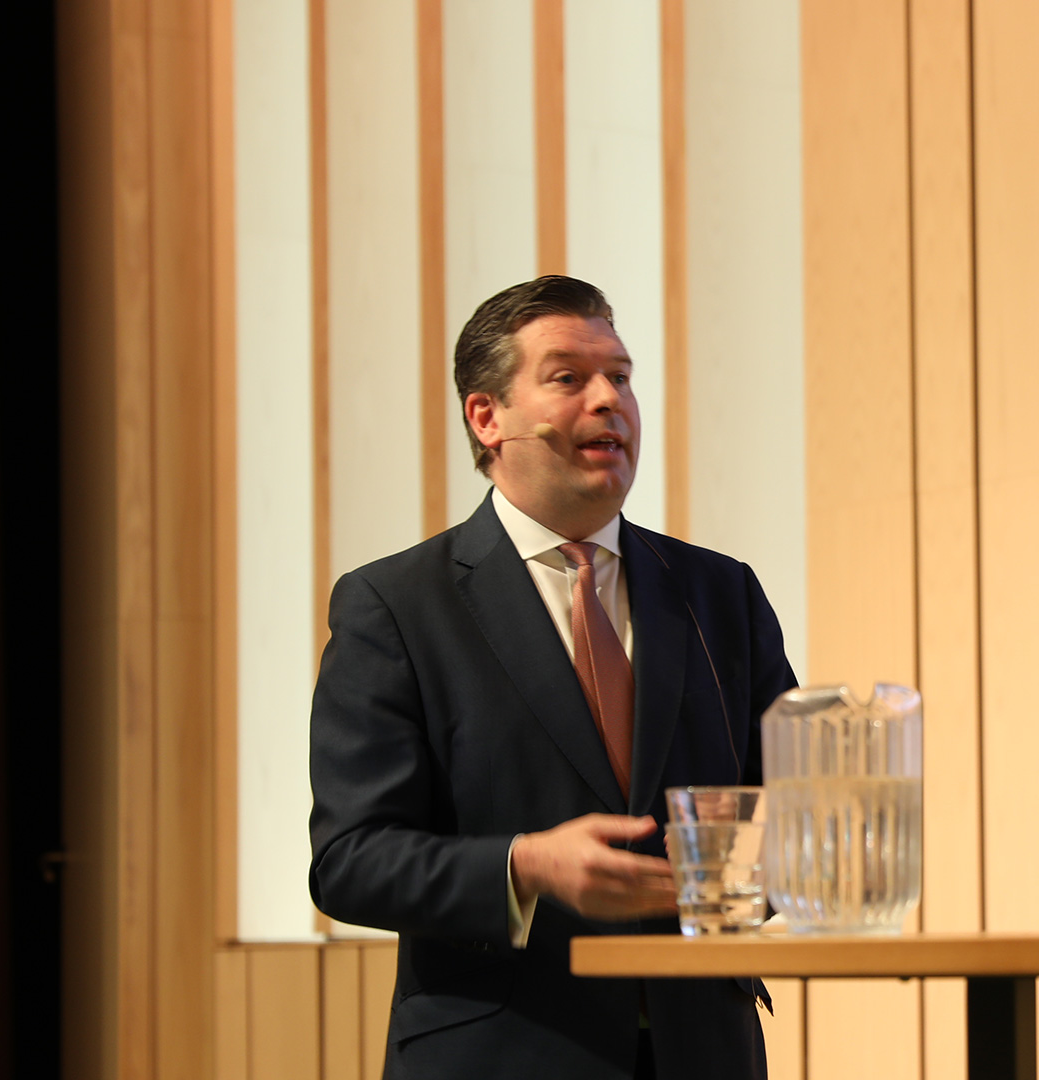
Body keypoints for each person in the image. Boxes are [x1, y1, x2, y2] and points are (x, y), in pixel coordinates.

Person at [309, 275, 796, 1079]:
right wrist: (527, 867)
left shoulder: (719, 592)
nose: (609, 399)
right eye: (569, 378)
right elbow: (351, 861)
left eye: (622, 377)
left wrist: (753, 872)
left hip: (701, 1051)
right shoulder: (396, 605)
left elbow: (791, 816)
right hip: (501, 1052)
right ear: (486, 416)